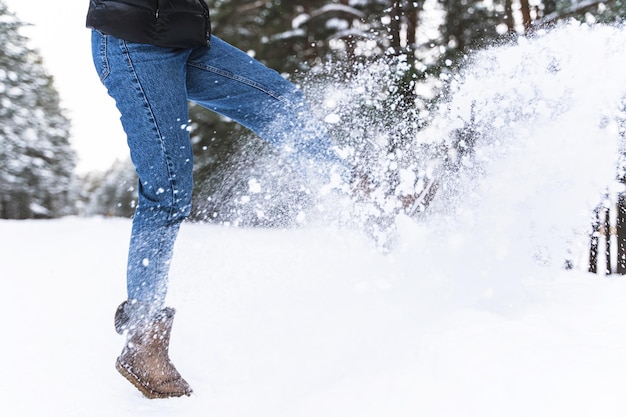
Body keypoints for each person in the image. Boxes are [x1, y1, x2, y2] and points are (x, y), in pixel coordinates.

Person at [86, 0, 432, 399]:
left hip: (185, 32)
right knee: (167, 192)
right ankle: (143, 339)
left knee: (281, 103)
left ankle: (363, 200)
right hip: (134, 41)